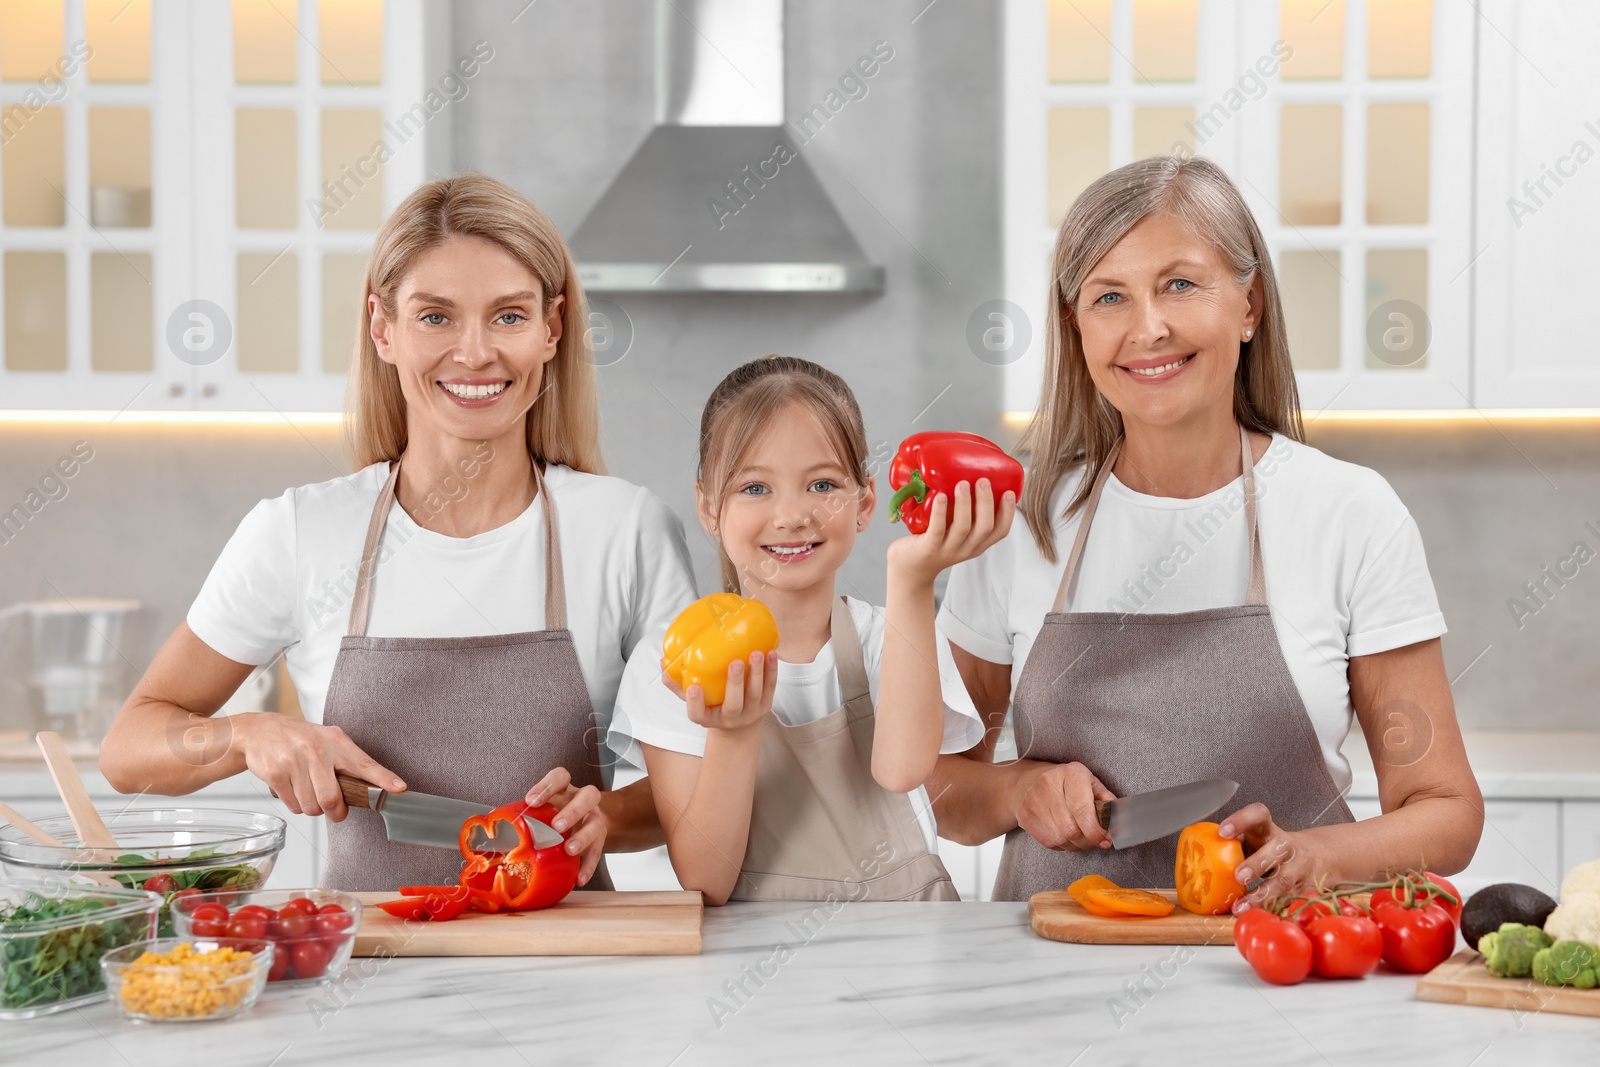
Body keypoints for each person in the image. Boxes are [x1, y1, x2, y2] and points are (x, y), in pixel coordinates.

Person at [100, 174, 697, 891]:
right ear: (383, 328)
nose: (475, 353)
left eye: (507, 316)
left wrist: (607, 814)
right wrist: (245, 735)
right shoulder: (299, 532)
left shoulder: (625, 530)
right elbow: (129, 748)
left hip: (567, 972)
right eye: (435, 317)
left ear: (553, 328)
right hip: (364, 975)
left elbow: (691, 787)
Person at [930, 155, 1483, 905]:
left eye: (1180, 284)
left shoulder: (1351, 514)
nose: (1147, 328)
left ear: (1249, 305)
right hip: (1051, 984)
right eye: (1109, 297)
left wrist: (1316, 853)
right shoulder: (1019, 524)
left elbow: (1446, 810)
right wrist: (1017, 789)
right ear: (1076, 326)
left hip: (1280, 977)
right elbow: (945, 793)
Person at [607, 356, 1009, 904]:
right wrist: (733, 732)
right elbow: (706, 880)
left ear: (865, 503)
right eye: (754, 488)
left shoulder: (888, 636)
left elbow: (903, 769)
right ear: (707, 506)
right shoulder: (672, 665)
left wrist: (913, 580)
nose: (792, 514)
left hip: (907, 962)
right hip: (753, 973)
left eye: (822, 484)